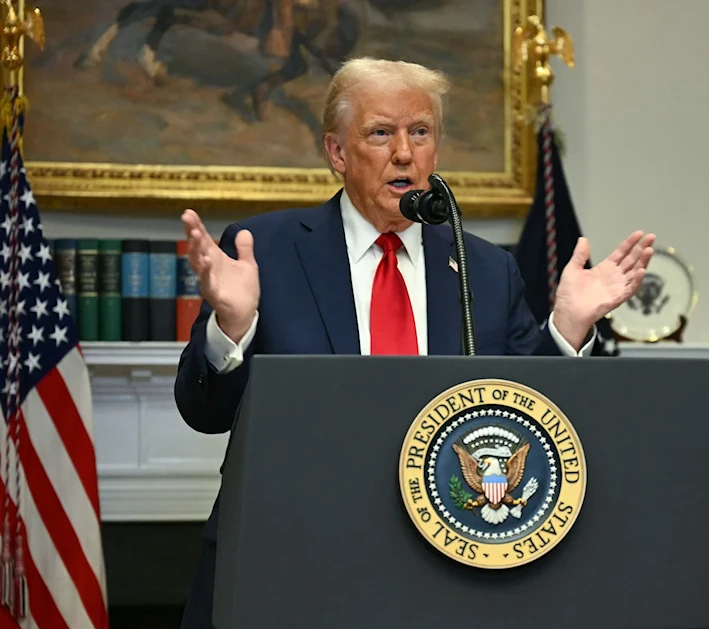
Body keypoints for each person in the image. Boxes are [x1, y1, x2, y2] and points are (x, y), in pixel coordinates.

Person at [174, 57, 655, 628]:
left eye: (420, 132)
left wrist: (569, 328)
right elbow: (205, 413)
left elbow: (526, 412)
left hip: (444, 571)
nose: (404, 153)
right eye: (381, 133)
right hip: (291, 565)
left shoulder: (485, 268)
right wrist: (231, 326)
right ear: (337, 153)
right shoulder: (268, 251)